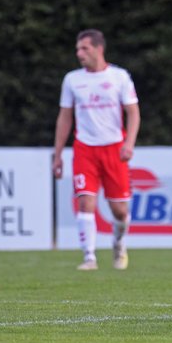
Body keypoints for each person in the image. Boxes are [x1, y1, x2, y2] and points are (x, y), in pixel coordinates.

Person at [52, 29, 140, 271]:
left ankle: (119, 243)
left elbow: (133, 113)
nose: (79, 53)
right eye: (77, 49)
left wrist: (129, 144)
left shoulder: (119, 77)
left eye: (85, 48)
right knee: (85, 203)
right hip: (85, 149)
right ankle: (89, 257)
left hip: (114, 149)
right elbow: (65, 117)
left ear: (99, 49)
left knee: (120, 211)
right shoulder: (72, 80)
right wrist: (57, 155)